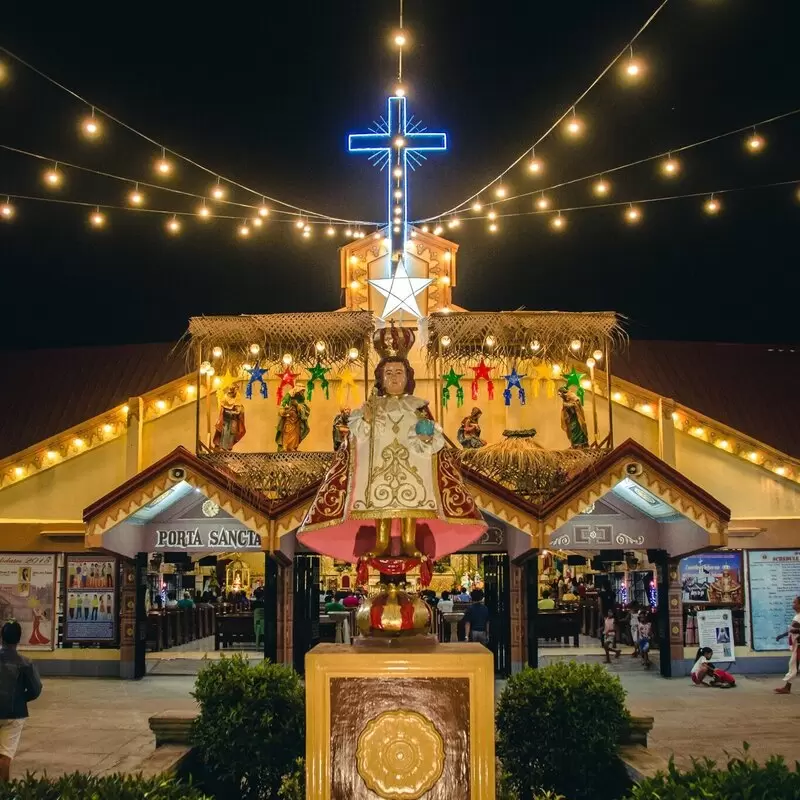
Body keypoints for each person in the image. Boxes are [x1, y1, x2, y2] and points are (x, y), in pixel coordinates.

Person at [298, 324, 486, 562]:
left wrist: (426, 437)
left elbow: (433, 439)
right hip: (378, 465)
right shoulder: (370, 406)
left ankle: (409, 540)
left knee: (411, 502)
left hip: (412, 465)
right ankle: (381, 541)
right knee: (380, 501)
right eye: (389, 373)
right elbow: (357, 436)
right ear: (380, 378)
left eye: (399, 373)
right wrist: (365, 419)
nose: (394, 378)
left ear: (407, 377)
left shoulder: (418, 405)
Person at [0, 621, 42, 781]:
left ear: (1, 636)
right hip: (14, 714)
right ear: (18, 639)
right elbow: (36, 689)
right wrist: (20, 698)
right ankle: (4, 791)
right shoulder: (25, 663)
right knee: (5, 756)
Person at [774, 596, 800, 694]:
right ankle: (787, 688)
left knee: (793, 665)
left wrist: (795, 630)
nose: (793, 604)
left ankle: (787, 688)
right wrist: (782, 635)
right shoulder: (797, 616)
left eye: (795, 603)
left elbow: (794, 630)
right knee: (793, 665)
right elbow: (791, 631)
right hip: (796, 645)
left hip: (799, 645)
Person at [276, 388, 311, 452]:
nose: (302, 393)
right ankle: (285, 447)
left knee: (295, 434)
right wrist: (284, 411)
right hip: (289, 420)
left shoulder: (300, 400)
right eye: (301, 391)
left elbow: (303, 409)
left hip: (296, 420)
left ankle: (293, 447)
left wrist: (298, 406)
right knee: (287, 433)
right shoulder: (288, 397)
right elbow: (283, 407)